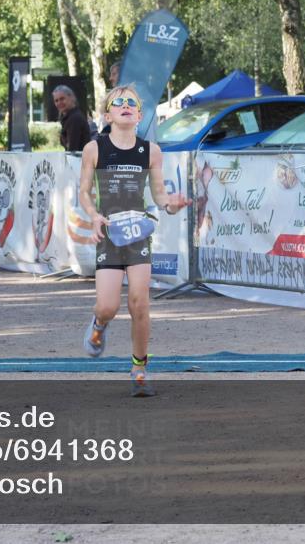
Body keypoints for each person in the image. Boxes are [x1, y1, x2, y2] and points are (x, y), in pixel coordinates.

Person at [78, 85, 191, 397]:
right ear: (107, 115)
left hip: (137, 233)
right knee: (108, 306)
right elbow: (83, 192)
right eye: (119, 103)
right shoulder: (94, 149)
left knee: (139, 302)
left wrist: (171, 204)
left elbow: (159, 195)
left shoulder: (151, 151)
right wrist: (93, 216)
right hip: (108, 233)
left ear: (140, 115)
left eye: (132, 103)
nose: (125, 106)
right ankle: (99, 324)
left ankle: (139, 369)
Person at [53, 85, 89, 151]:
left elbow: (72, 149)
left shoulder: (75, 119)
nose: (59, 103)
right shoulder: (70, 117)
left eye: (62, 99)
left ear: (72, 98)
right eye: (56, 100)